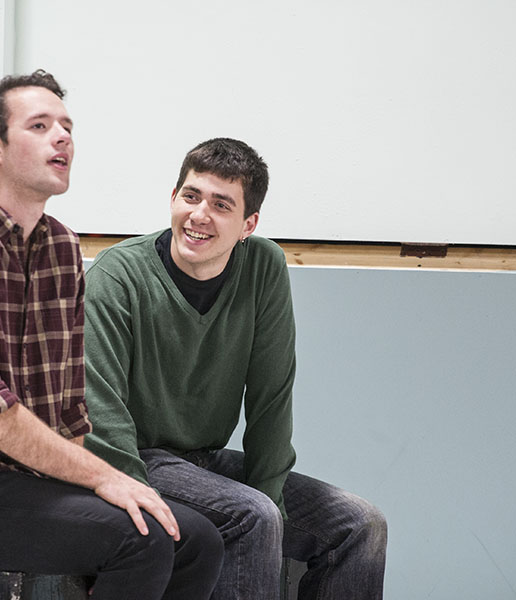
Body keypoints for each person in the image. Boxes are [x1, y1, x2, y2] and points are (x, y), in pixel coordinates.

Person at [0, 71, 222, 600]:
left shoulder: (60, 249)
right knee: (140, 538)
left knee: (195, 539)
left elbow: (67, 410)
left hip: (21, 485)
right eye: (40, 125)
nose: (63, 137)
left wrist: (98, 484)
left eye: (67, 126)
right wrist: (104, 479)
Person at [84, 137, 388, 599]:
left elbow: (271, 397)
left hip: (206, 462)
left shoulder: (264, 266)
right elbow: (100, 411)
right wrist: (138, 502)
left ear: (249, 224)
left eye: (221, 204)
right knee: (252, 514)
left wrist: (274, 503)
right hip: (139, 461)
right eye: (191, 196)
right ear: (173, 198)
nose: (200, 215)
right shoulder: (117, 275)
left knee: (360, 524)